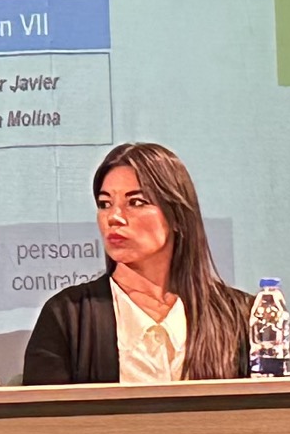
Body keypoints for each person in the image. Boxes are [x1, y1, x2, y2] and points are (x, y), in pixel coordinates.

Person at [21, 143, 252, 385]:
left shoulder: (239, 316)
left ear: (177, 216)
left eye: (136, 202)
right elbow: (45, 409)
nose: (114, 217)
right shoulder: (66, 316)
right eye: (105, 204)